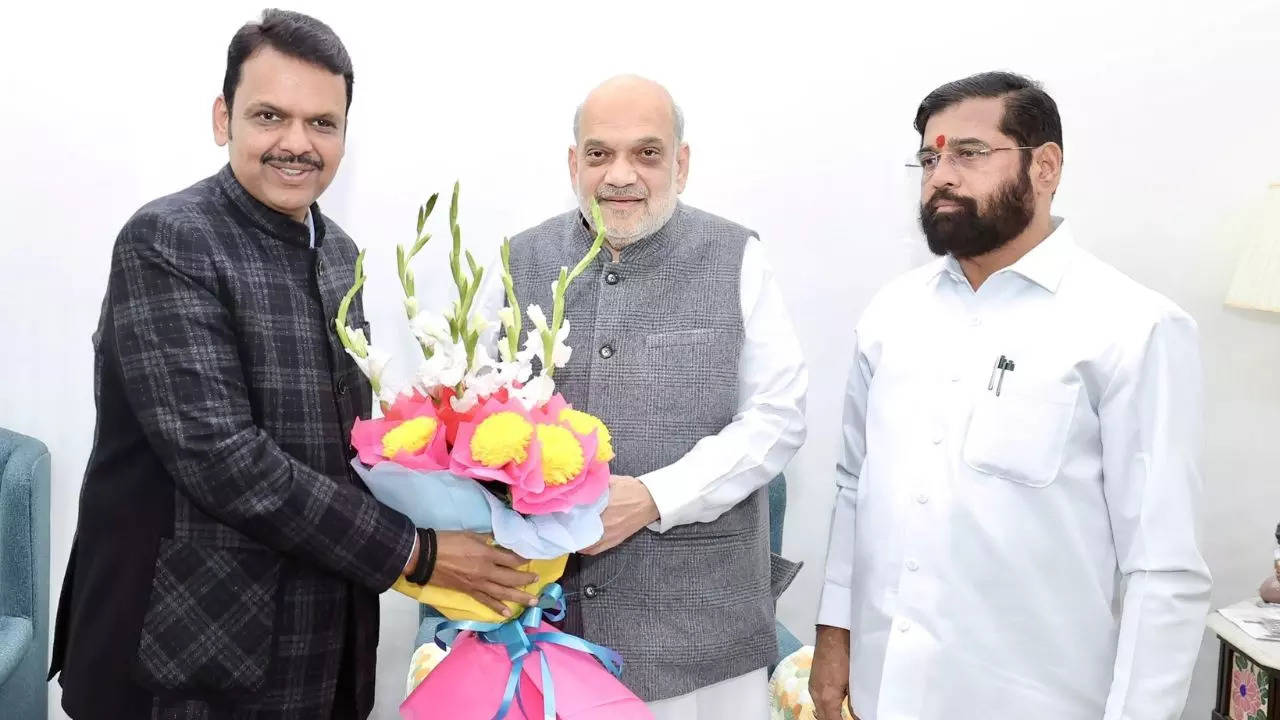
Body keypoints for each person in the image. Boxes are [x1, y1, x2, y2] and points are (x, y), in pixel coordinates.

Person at [49, 10, 534, 718]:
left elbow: (343, 452)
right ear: (224, 118)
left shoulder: (338, 253)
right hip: (185, 648)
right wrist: (418, 553)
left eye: (322, 123)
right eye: (270, 116)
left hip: (321, 637)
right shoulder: (168, 242)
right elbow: (225, 459)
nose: (297, 144)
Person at [809, 71, 1212, 720]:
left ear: (1045, 166)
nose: (941, 174)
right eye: (929, 157)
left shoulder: (1133, 328)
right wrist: (834, 641)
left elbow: (1162, 570)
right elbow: (854, 487)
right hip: (888, 693)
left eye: (968, 153)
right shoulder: (891, 315)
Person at [496, 74, 809, 719]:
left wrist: (655, 497)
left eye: (647, 153)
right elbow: (487, 420)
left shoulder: (736, 256)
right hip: (552, 631)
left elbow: (778, 416)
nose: (621, 175)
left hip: (706, 639)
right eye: (599, 153)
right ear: (573, 163)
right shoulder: (518, 261)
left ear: (681, 163)